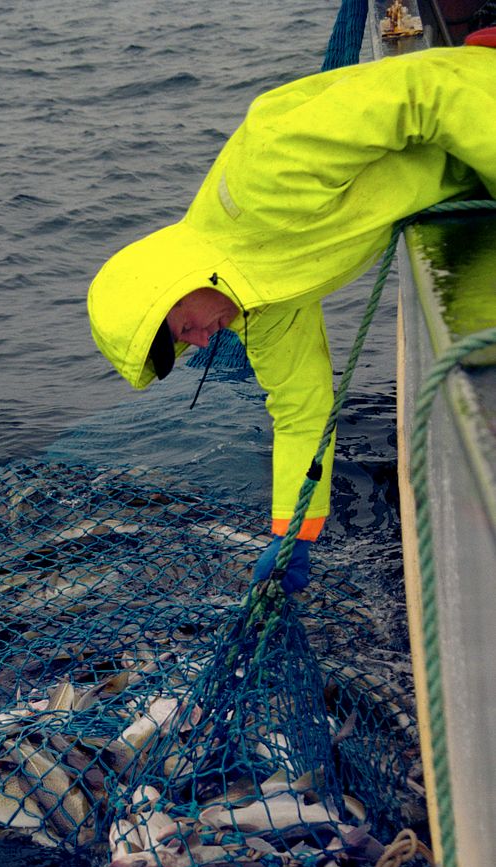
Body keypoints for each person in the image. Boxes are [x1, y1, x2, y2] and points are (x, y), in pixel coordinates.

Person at [87, 43, 496, 592]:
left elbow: (424, 93)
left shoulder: (262, 177)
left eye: (186, 330)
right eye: (188, 346)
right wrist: (293, 536)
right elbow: (302, 413)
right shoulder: (260, 307)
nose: (204, 342)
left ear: (175, 284)